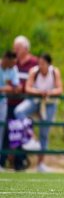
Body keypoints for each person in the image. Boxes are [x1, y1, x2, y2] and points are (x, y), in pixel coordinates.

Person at [14, 53, 63, 172]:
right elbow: (28, 88)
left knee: (44, 133)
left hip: (49, 103)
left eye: (43, 63)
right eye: (39, 63)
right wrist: (39, 92)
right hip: (34, 100)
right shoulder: (33, 71)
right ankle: (31, 137)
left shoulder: (54, 72)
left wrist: (49, 92)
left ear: (49, 64)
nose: (41, 66)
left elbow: (60, 89)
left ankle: (40, 163)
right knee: (19, 111)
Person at [0, 36, 38, 170]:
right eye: (14, 47)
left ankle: (19, 162)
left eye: (18, 48)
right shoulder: (12, 63)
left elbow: (23, 85)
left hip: (24, 103)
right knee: (5, 132)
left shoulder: (34, 63)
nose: (15, 50)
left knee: (22, 132)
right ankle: (2, 160)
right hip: (9, 102)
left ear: (26, 49)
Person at [0, 51, 20, 170]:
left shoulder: (13, 69)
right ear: (6, 59)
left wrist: (11, 89)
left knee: (1, 132)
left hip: (2, 104)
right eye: (12, 63)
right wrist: (5, 89)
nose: (14, 65)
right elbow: (9, 88)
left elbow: (16, 87)